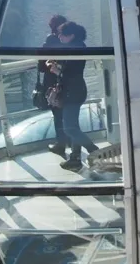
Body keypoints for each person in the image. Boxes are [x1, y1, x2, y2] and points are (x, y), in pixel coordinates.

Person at [52, 21, 99, 172]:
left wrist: (56, 70)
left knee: (69, 128)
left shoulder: (75, 49)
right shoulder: (78, 46)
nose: (59, 37)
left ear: (71, 35)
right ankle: (75, 158)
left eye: (62, 34)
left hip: (72, 91)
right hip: (76, 90)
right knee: (73, 126)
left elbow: (71, 73)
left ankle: (95, 151)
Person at [39, 14, 68, 157]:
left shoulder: (50, 40)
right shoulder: (71, 41)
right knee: (68, 114)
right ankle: (71, 143)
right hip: (68, 81)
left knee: (57, 114)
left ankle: (61, 144)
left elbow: (41, 66)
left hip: (53, 83)